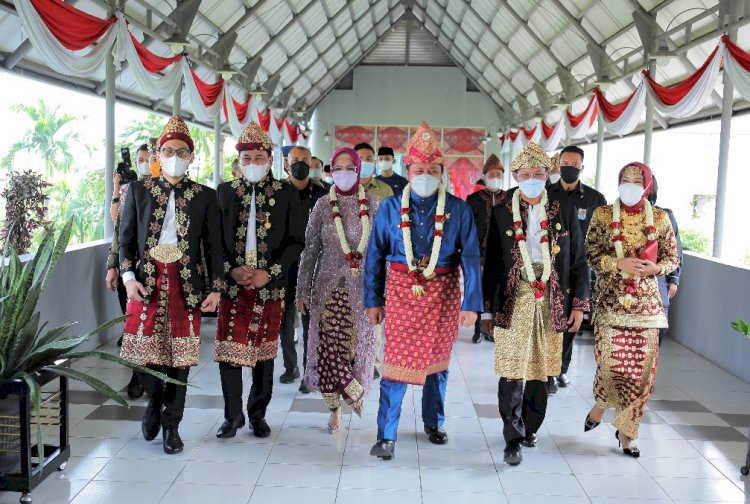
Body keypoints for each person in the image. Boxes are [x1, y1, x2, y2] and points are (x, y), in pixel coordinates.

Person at [364, 122, 482, 460]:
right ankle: (386, 434)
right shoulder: (389, 208)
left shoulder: (458, 209)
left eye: (432, 170)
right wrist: (373, 300)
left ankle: (434, 422)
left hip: (443, 293)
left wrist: (470, 304)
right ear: (408, 170)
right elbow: (374, 256)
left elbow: (471, 258)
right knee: (395, 365)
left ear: (441, 172)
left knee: (437, 364)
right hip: (400, 291)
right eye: (419, 169)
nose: (425, 174)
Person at [119, 116, 224, 454]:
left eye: (181, 151)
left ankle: (172, 425)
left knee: (180, 359)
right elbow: (125, 241)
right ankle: (152, 405)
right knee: (146, 355)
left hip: (186, 284)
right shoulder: (138, 190)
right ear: (157, 154)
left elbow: (214, 247)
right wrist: (128, 278)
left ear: (191, 157)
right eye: (167, 150)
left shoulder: (204, 196)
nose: (174, 156)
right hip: (145, 283)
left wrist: (216, 288)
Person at [482, 143, 590, 466]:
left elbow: (579, 261)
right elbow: (490, 265)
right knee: (512, 371)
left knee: (541, 373)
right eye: (526, 175)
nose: (532, 179)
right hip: (513, 300)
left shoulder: (563, 209)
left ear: (548, 175)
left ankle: (530, 428)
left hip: (551, 300)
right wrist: (486, 309)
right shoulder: (502, 209)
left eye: (539, 174)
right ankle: (511, 438)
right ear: (515, 176)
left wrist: (579, 305)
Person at [214, 122, 305, 440]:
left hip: (271, 286)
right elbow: (212, 241)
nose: (253, 163)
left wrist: (272, 272)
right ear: (238, 161)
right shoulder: (225, 192)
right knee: (229, 353)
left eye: (259, 157)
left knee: (265, 356)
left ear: (270, 159)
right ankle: (231, 416)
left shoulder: (286, 192)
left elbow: (296, 241)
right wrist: (231, 270)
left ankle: (257, 414)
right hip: (234, 287)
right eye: (247, 158)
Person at [584, 162, 679, 458]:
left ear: (647, 186)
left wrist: (657, 268)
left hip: (647, 306)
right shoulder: (602, 215)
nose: (630, 184)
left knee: (642, 374)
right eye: (625, 179)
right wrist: (617, 264)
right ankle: (601, 405)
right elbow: (590, 254)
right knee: (611, 365)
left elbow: (672, 257)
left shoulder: (661, 218)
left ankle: (627, 434)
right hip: (610, 303)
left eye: (637, 181)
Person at [296, 147, 380, 432]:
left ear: (358, 171)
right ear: (331, 171)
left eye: (350, 168)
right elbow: (310, 250)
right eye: (338, 168)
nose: (344, 174)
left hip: (363, 292)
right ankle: (336, 408)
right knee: (327, 350)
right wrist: (302, 290)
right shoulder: (322, 205)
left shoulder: (374, 204)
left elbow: (382, 254)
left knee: (354, 349)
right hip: (326, 290)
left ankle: (353, 391)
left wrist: (383, 294)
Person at [547, 145, 607, 390]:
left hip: (580, 269)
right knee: (550, 320)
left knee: (572, 320)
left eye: (574, 165)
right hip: (551, 266)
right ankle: (547, 369)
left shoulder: (595, 199)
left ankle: (561, 368)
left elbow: (602, 236)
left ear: (582, 167)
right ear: (558, 165)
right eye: (565, 163)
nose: (569, 168)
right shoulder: (546, 193)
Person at [279, 145, 328, 392]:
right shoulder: (276, 193)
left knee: (311, 320)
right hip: (283, 266)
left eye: (305, 160)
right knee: (285, 320)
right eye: (294, 160)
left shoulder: (324, 194)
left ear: (312, 163)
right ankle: (291, 366)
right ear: (286, 163)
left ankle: (310, 373)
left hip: (314, 266)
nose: (299, 164)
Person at [106, 143, 153, 399]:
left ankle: (147, 379)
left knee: (150, 328)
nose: (145, 162)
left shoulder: (168, 189)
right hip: (129, 270)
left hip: (156, 270)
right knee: (132, 326)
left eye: (149, 158)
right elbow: (118, 229)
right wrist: (112, 265)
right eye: (141, 159)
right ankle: (138, 377)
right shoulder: (129, 190)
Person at [467, 153, 505, 344]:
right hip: (478, 254)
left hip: (500, 254)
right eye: (492, 174)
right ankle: (477, 330)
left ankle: (493, 328)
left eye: (499, 174)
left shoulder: (508, 199)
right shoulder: (473, 199)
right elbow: (467, 229)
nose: (495, 178)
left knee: (497, 290)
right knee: (478, 291)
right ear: (485, 176)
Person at [647, 175, 683, 345]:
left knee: (658, 330)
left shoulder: (664, 215)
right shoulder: (614, 216)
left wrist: (674, 279)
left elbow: (676, 250)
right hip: (626, 279)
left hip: (658, 278)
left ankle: (648, 368)